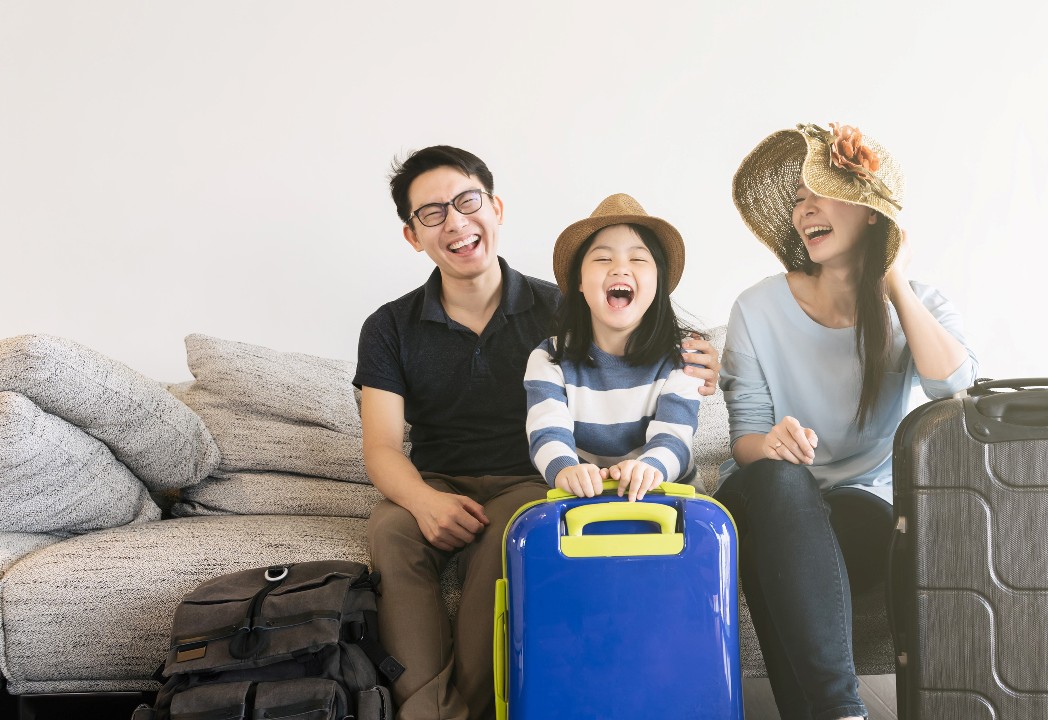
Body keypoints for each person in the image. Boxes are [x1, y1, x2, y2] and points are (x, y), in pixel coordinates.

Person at [353, 147, 721, 720]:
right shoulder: (388, 327)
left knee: (516, 536)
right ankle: (431, 712)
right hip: (435, 477)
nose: (454, 221)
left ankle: (455, 712)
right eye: (432, 213)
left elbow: (643, 331)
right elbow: (379, 448)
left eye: (467, 201)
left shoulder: (561, 310)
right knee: (390, 531)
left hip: (531, 476)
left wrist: (700, 361)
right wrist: (425, 501)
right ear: (412, 235)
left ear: (495, 208)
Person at [717, 123, 978, 720]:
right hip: (766, 493)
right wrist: (774, 443)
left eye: (821, 192)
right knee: (784, 485)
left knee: (770, 552)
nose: (804, 208)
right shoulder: (756, 308)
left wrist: (894, 282)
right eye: (798, 200)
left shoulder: (919, 304)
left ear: (868, 212)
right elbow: (745, 438)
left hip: (861, 513)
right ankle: (843, 711)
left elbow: (956, 389)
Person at [525, 194, 702, 502]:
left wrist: (648, 468)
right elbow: (546, 431)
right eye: (603, 258)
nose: (620, 269)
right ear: (580, 281)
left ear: (658, 280)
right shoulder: (548, 358)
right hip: (580, 500)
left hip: (667, 498)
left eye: (638, 258)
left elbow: (674, 437)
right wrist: (565, 470)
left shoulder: (684, 359)